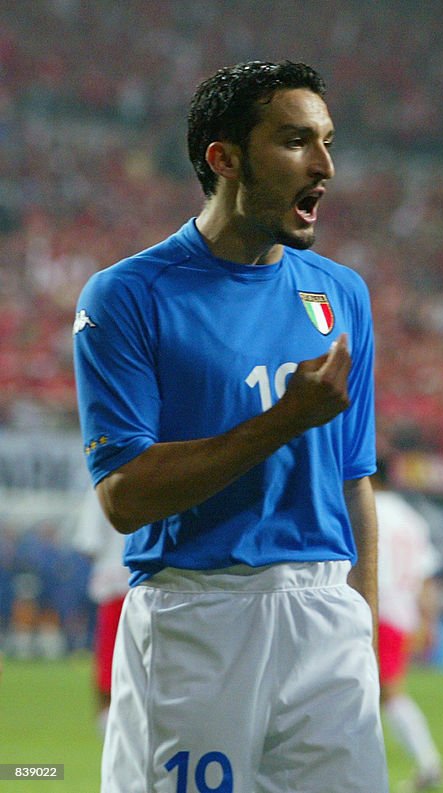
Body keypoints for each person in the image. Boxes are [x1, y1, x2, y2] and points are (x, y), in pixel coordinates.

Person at [73, 61, 386, 793]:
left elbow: (354, 481)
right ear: (225, 158)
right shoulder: (127, 296)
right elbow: (123, 496)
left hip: (325, 616)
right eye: (296, 141)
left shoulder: (341, 293)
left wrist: (361, 627)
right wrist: (282, 420)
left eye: (328, 142)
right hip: (197, 612)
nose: (326, 166)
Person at [374, 464, 443, 791]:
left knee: (387, 692)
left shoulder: (367, 507)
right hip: (402, 612)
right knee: (376, 693)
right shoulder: (411, 518)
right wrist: (428, 621)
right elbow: (426, 575)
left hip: (377, 610)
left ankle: (428, 764)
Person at [71, 488, 130, 736]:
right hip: (151, 581)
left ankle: (107, 712)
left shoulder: (100, 487)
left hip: (114, 580)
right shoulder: (155, 475)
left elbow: (89, 543)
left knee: (109, 652)